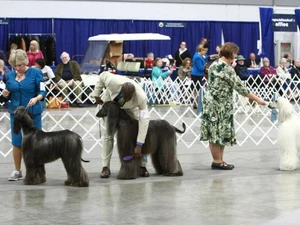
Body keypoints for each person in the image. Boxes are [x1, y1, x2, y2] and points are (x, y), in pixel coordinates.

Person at [200, 42, 266, 170]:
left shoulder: (215, 64)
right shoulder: (225, 68)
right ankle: (217, 161)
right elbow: (240, 88)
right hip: (218, 104)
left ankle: (219, 160)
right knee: (217, 133)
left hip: (215, 103)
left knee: (218, 132)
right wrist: (259, 100)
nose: (236, 56)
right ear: (230, 53)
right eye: (235, 53)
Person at [92, 71, 150, 178]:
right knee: (108, 135)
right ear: (121, 91)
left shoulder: (141, 98)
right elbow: (102, 76)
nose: (127, 99)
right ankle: (105, 167)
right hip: (110, 104)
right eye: (125, 96)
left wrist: (139, 144)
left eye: (129, 97)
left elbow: (144, 120)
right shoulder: (113, 81)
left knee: (137, 131)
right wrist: (96, 94)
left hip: (130, 109)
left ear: (134, 94)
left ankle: (142, 165)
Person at [1, 49, 46, 181]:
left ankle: (37, 171)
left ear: (25, 62)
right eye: (15, 66)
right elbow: (7, 93)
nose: (18, 68)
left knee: (35, 142)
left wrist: (36, 98)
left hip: (33, 113)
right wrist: (4, 94)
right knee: (16, 142)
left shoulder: (36, 73)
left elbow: (43, 91)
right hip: (16, 114)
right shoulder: (9, 76)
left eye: (21, 65)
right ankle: (17, 171)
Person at [191, 44, 207, 109]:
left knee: (197, 89)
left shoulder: (198, 55)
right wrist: (205, 68)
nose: (205, 52)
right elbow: (200, 68)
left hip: (198, 75)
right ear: (201, 50)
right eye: (204, 51)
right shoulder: (197, 57)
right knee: (196, 89)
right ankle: (196, 103)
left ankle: (196, 103)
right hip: (197, 75)